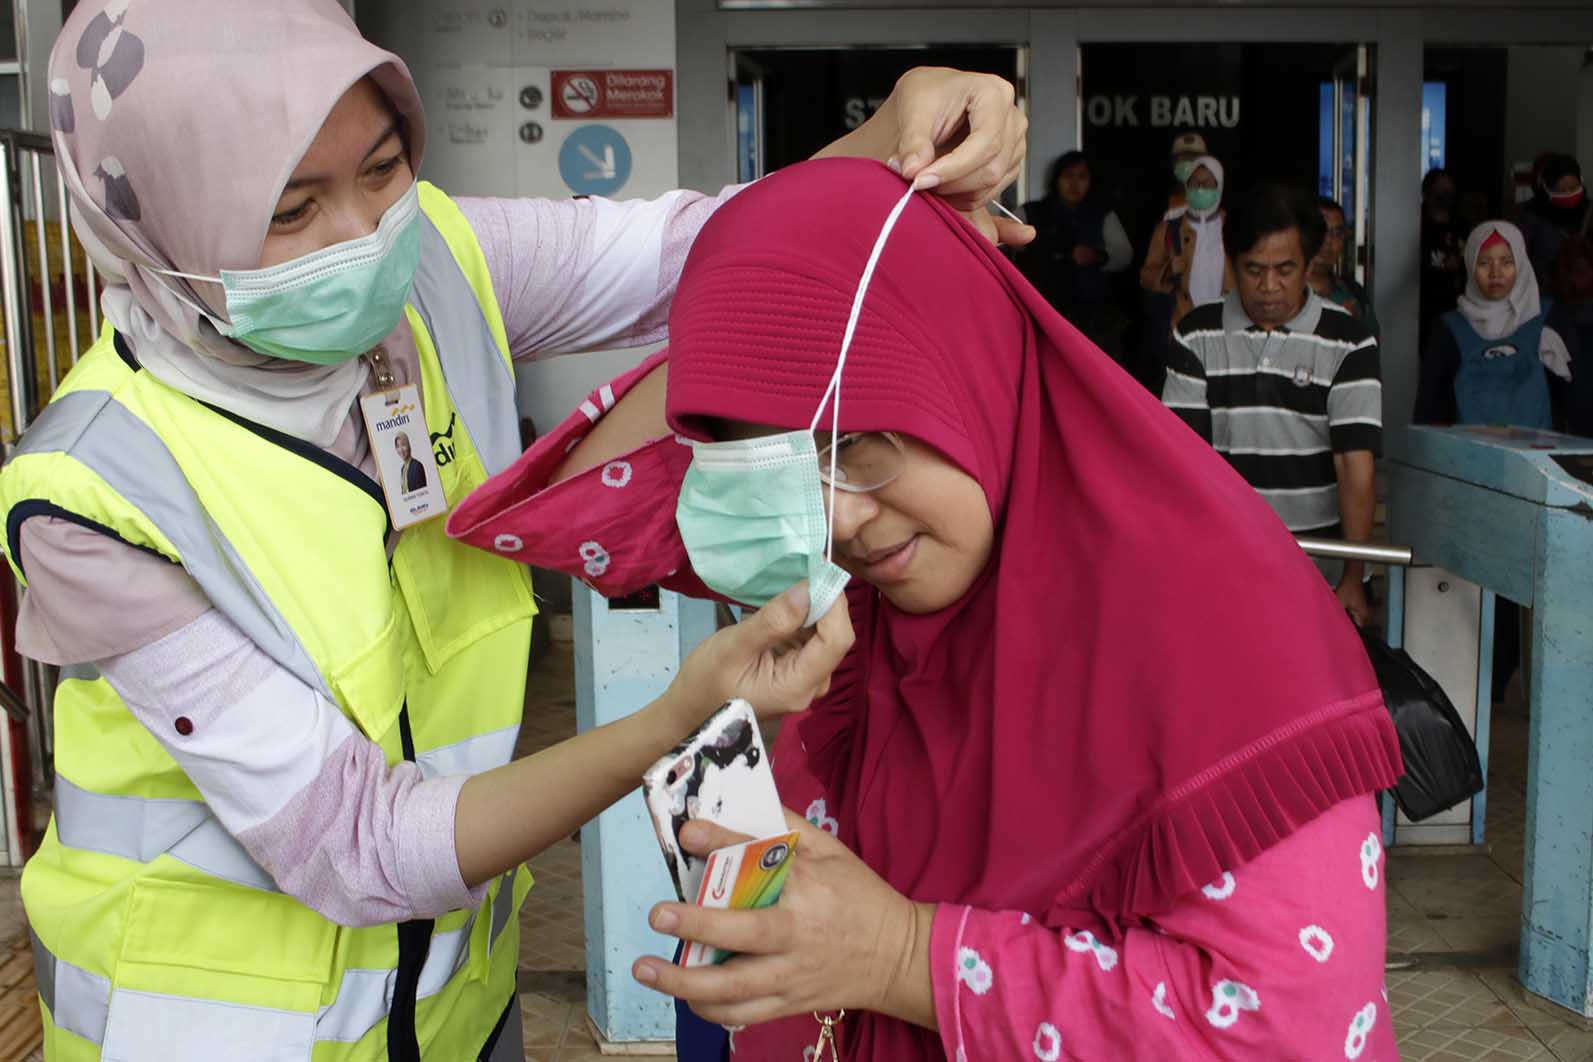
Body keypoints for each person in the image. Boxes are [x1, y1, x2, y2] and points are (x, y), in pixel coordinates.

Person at [5, 2, 1030, 1058]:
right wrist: (675, 714)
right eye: (290, 209)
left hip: (453, 1008)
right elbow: (358, 845)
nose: (361, 237)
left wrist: (900, 131)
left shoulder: (438, 264)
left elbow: (704, 245)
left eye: (383, 167)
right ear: (158, 219)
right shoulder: (96, 492)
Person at [447, 157, 1402, 1061]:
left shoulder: (1225, 633)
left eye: (858, 439)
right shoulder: (877, 625)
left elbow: (1291, 1027)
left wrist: (907, 958)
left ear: (966, 367)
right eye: (787, 472)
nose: (839, 519)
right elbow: (590, 497)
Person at [1162, 183, 1381, 624]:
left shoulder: (1349, 340)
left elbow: (1353, 465)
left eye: (1285, 269)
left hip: (1320, 565)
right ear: (1232, 262)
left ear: (1309, 263)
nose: (1268, 287)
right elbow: (1183, 460)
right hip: (1224, 560)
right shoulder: (1196, 335)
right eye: (1253, 269)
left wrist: (1353, 576)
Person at [1413, 221, 1580, 432]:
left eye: (1506, 262)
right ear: (1471, 266)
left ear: (1521, 263)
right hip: (1468, 459)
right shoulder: (1448, 329)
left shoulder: (1548, 318)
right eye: (1484, 263)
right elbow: (1429, 411)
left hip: (1539, 460)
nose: (1496, 273)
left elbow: (1577, 402)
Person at [1018, 151, 1132, 359]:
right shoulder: (1031, 213)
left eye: (1082, 177)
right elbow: (1004, 247)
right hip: (1041, 316)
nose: (1074, 183)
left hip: (1091, 322)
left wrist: (1097, 257)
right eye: (1068, 175)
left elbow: (1124, 255)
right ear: (1056, 179)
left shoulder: (1102, 214)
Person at [1140, 155, 1235, 341]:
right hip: (1181, 326)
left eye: (1208, 184)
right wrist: (1167, 271)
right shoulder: (1168, 228)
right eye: (1195, 183)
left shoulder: (1234, 229)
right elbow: (1146, 277)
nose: (1200, 189)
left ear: (1220, 187)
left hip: (1225, 330)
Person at [1519, 154, 1592, 304]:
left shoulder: (1590, 212)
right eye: (1560, 190)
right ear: (1546, 188)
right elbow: (1519, 261)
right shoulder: (1531, 217)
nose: (1568, 194)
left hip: (1587, 302)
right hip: (1544, 302)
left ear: (1581, 182)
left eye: (1573, 188)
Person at [1312, 196, 1379, 338]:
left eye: (1337, 233)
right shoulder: (1282, 294)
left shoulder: (1354, 293)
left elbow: (1371, 348)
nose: (1328, 240)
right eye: (1319, 230)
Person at [1420, 167, 1466, 356]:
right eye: (1441, 190)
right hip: (1426, 310)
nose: (1446, 195)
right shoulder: (1418, 227)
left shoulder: (1461, 226)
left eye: (1449, 190)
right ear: (1427, 194)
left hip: (1457, 308)